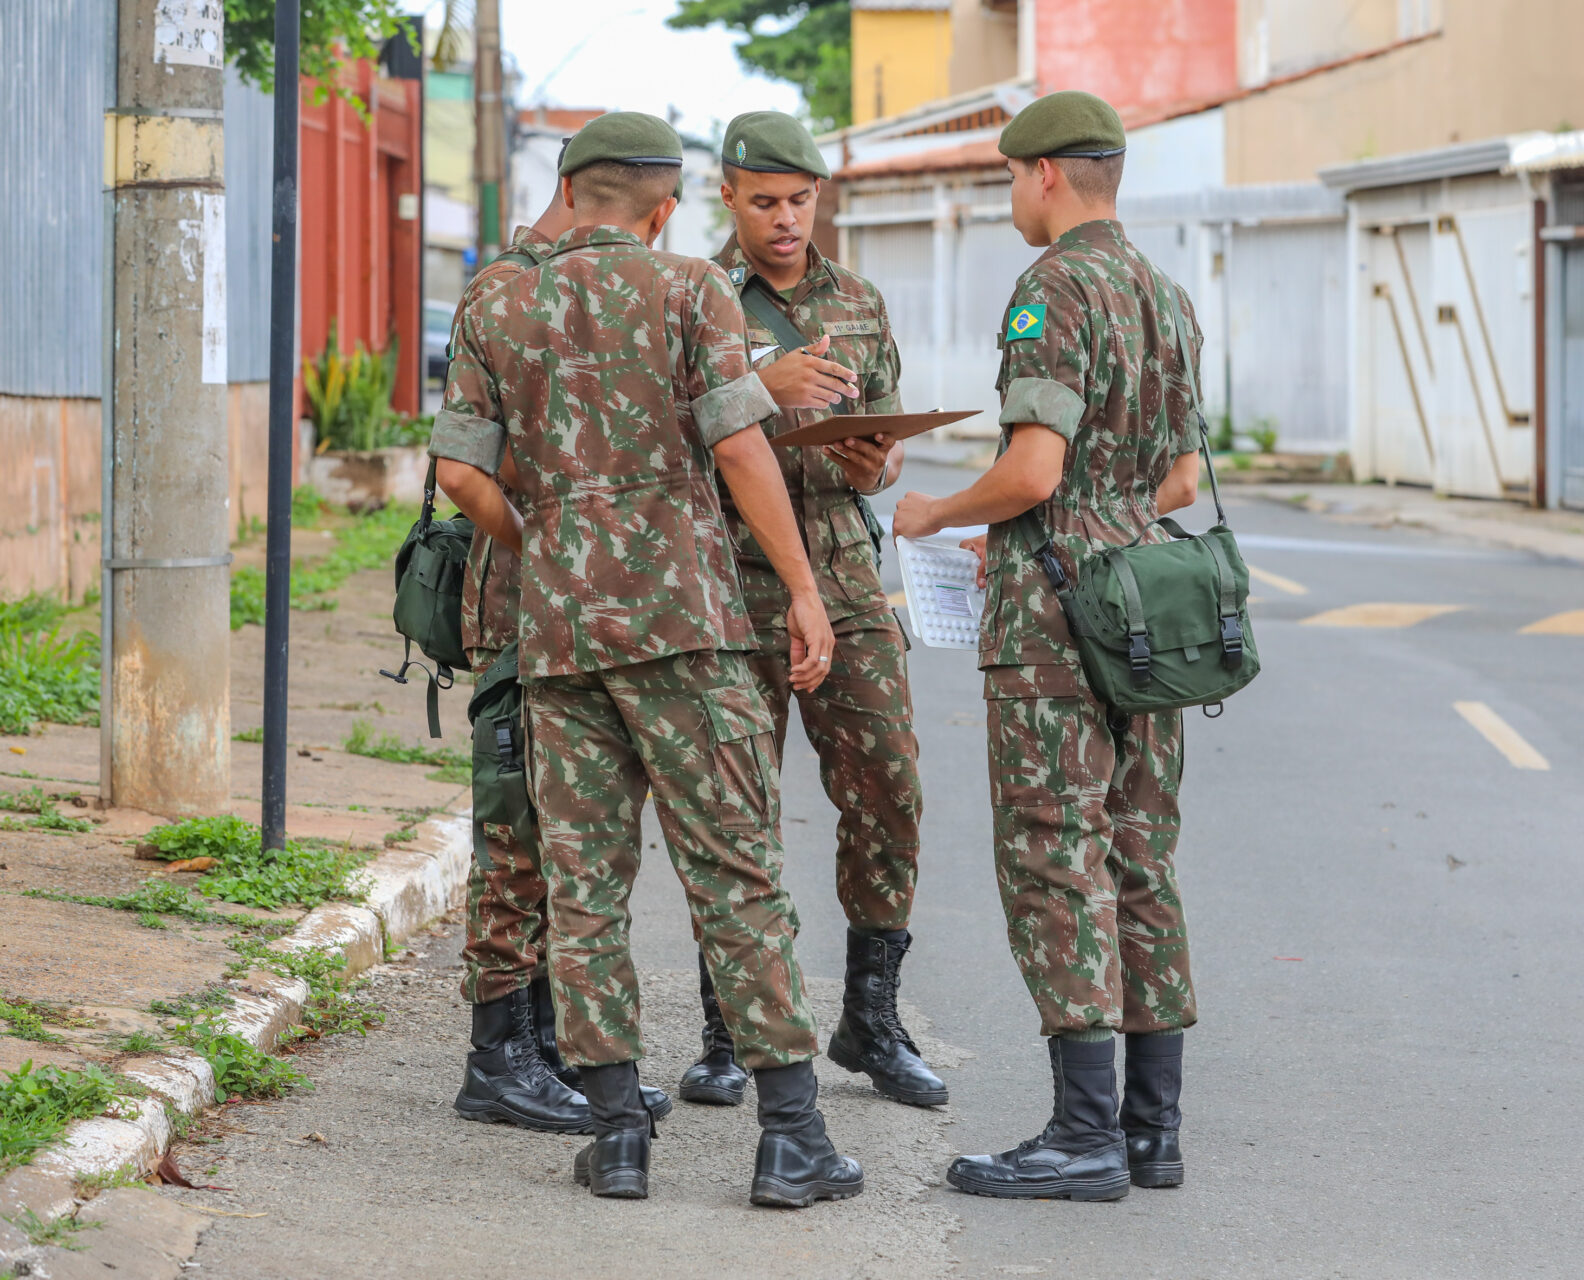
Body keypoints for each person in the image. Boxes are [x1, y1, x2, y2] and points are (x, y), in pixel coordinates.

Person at [431, 111, 862, 1208]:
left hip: (561, 635)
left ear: (571, 194)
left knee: (583, 888)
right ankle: (792, 1137)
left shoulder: (493, 299)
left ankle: (618, 1133)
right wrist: (804, 587)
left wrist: (563, 541)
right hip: (688, 629)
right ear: (666, 208)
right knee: (736, 874)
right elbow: (735, 439)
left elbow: (464, 481)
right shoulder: (688, 289)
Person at [891, 90, 1204, 1201]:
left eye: (1010, 180)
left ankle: (1080, 1135)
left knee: (1053, 856)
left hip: (1060, 621)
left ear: (1046, 177)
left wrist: (942, 515)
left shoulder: (1054, 288)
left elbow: (1033, 469)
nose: (1011, 198)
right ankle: (1149, 1131)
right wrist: (1076, 521)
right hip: (1147, 610)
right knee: (1139, 857)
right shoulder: (1164, 296)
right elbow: (1179, 478)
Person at [674, 110, 946, 1113]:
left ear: (819, 198)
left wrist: (878, 458)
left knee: (889, 785)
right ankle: (729, 1029)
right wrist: (758, 381)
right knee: (730, 806)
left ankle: (871, 1019)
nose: (784, 221)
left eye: (800, 202)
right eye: (764, 203)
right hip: (725, 578)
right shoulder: (694, 296)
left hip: (841, 568)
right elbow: (661, 435)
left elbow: (879, 432)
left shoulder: (860, 302)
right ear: (728, 196)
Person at [445, 140, 672, 1138]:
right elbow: (466, 469)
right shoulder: (505, 287)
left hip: (555, 601)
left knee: (553, 829)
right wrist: (551, 549)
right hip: (520, 606)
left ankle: (547, 1046)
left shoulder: (551, 283)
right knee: (514, 830)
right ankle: (497, 1056)